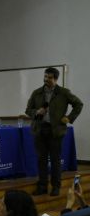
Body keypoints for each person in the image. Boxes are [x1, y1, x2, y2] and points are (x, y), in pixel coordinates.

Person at [25, 67, 83, 197]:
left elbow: (79, 104)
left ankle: (56, 187)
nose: (46, 79)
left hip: (55, 130)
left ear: (56, 79)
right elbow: (28, 110)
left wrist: (69, 118)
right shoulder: (37, 93)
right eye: (45, 77)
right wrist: (36, 112)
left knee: (55, 160)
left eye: (50, 77)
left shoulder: (63, 92)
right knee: (41, 160)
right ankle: (42, 187)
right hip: (40, 129)